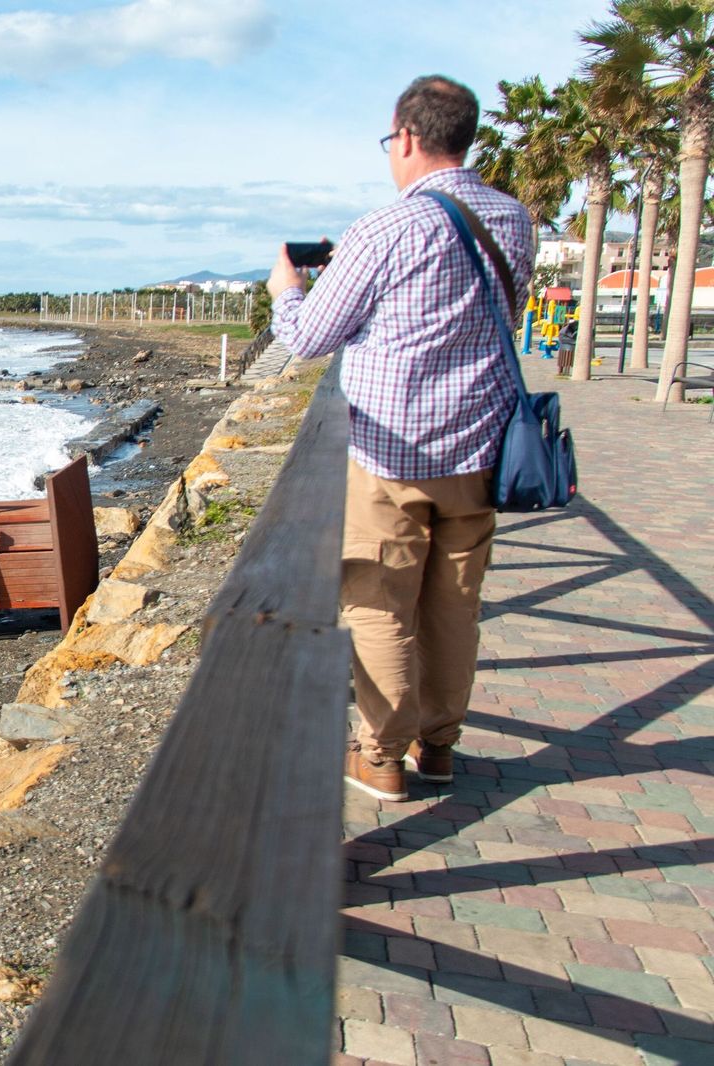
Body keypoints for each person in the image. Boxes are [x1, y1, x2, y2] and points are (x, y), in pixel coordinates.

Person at [267, 75, 535, 801]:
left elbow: (310, 338)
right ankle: (439, 746)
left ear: (407, 137)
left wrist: (286, 289)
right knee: (454, 604)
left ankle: (380, 755)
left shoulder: (385, 228)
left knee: (378, 601)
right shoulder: (513, 220)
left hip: (393, 454)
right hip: (481, 451)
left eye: (391, 141)